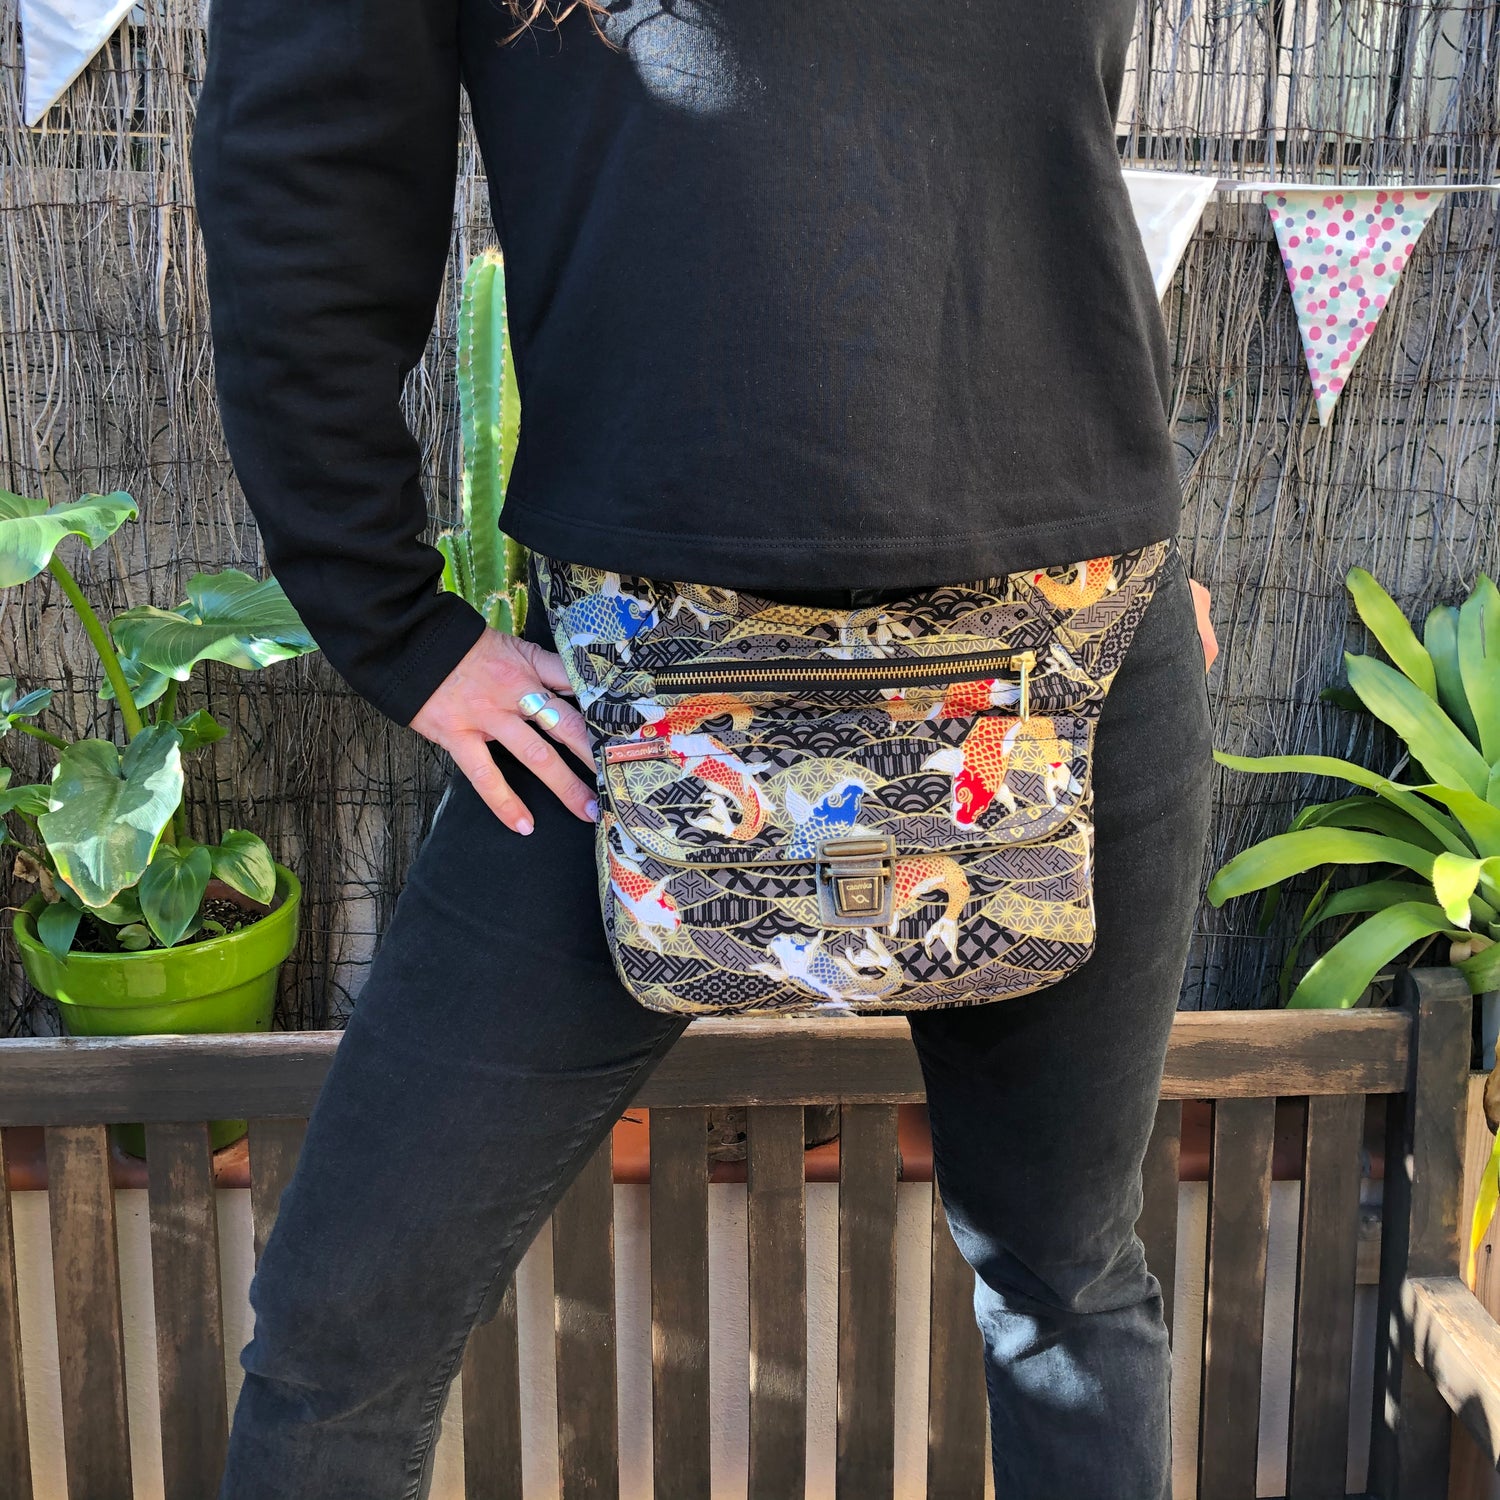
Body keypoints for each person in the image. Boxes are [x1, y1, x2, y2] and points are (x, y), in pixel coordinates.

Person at [190, 1, 1219, 1495]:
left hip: (1068, 655)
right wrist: (392, 624)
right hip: (645, 692)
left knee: (1070, 1285)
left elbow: (1032, 167)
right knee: (340, 1330)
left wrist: (1130, 503)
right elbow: (296, 177)